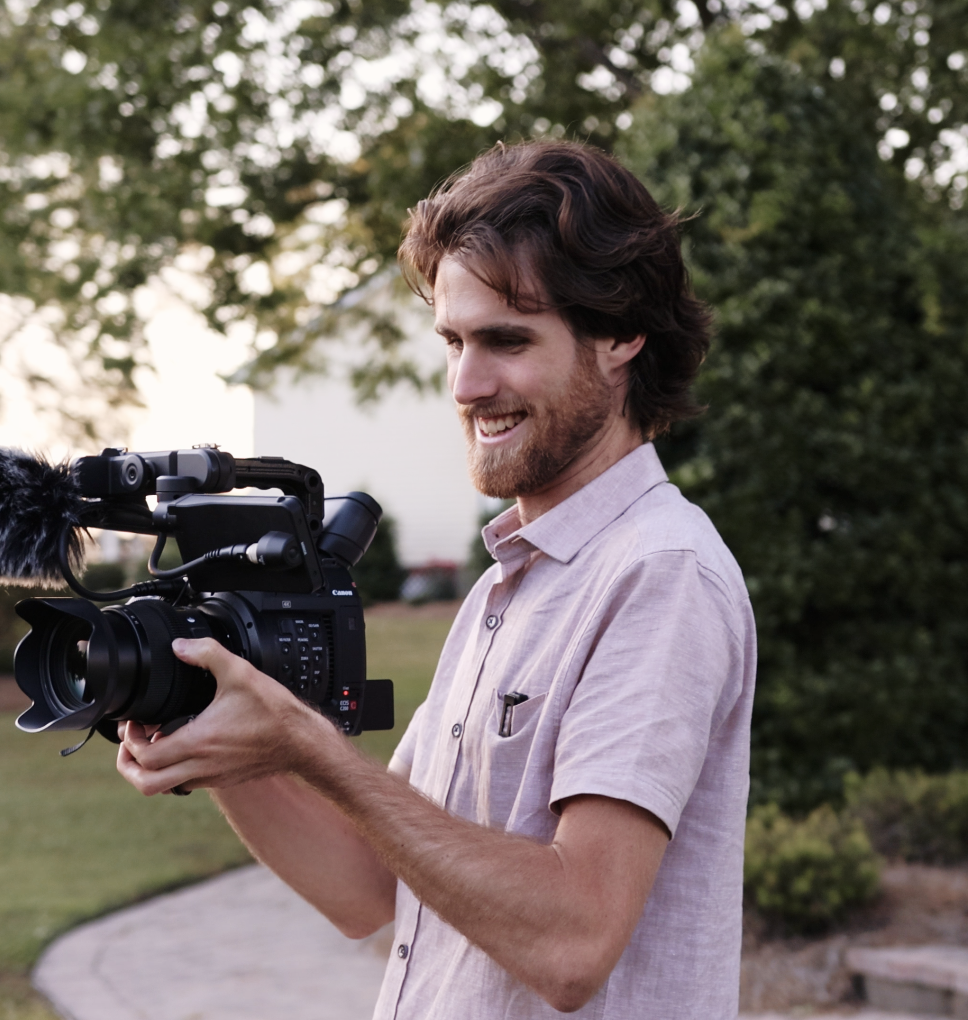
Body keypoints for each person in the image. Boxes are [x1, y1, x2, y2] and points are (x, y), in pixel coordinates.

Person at [115, 139, 756, 1019]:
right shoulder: (511, 583)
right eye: (453, 340)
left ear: (622, 338)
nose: (466, 382)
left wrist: (313, 749)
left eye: (506, 340)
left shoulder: (660, 574)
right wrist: (228, 743)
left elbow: (574, 941)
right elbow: (368, 888)